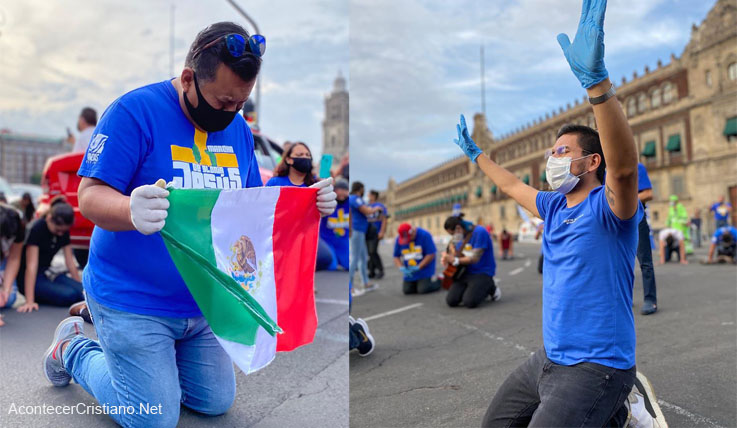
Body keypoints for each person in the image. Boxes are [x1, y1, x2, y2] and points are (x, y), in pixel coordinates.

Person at [41, 22, 336, 428]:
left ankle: (156, 369)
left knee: (214, 402)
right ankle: (73, 348)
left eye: (241, 104)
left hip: (204, 304)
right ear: (187, 79)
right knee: (152, 418)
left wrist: (308, 205)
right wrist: (130, 209)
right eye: (223, 102)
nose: (232, 114)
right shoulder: (134, 112)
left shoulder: (238, 131)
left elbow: (252, 209)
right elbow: (90, 195)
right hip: (133, 300)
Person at [452, 1, 664, 424]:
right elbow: (512, 185)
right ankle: (615, 417)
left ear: (591, 163)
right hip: (548, 359)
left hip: (598, 367)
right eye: (552, 151)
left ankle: (620, 401)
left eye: (563, 151)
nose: (552, 158)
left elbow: (623, 170)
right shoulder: (552, 206)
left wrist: (596, 85)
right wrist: (477, 156)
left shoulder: (610, 209)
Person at [16, 198, 83, 311]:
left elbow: (70, 262)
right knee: (69, 295)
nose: (60, 234)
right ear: (49, 218)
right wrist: (30, 301)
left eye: (63, 231)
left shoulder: (63, 231)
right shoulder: (36, 228)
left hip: (47, 273)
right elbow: (31, 267)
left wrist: (79, 286)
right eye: (58, 231)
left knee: (81, 291)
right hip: (29, 278)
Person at [441, 215, 500, 308]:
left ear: (458, 228)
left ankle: (491, 287)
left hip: (482, 271)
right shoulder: (459, 235)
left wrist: (455, 260)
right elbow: (454, 251)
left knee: (470, 302)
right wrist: (447, 256)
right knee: (451, 301)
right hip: (465, 272)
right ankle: (473, 288)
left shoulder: (480, 232)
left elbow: (475, 258)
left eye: (452, 234)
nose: (452, 237)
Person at [634, 163, 658, 315]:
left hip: (636, 217)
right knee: (617, 262)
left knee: (645, 262)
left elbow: (648, 193)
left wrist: (622, 200)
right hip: (612, 220)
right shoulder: (603, 171)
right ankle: (621, 299)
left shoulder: (636, 167)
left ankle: (650, 299)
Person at [349, 181, 380, 296]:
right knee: (355, 258)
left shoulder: (355, 199)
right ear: (360, 189)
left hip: (360, 231)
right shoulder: (355, 199)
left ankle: (365, 282)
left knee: (362, 257)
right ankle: (349, 286)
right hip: (357, 231)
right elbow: (366, 211)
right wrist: (376, 208)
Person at [394, 223, 440, 294]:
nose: (408, 241)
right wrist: (401, 267)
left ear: (413, 232)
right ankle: (418, 283)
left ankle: (439, 281)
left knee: (423, 289)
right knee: (407, 290)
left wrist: (419, 267)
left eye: (409, 237)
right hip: (410, 270)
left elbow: (431, 254)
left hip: (425, 269)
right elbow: (396, 256)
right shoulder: (399, 239)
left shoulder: (425, 235)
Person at [0, 204, 25, 326]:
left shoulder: (17, 223)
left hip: (4, 259)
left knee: (8, 299)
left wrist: (5, 288)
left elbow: (14, 258)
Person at [320, 178, 350, 270]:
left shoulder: (349, 203)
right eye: (340, 190)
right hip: (328, 241)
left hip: (343, 241)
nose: (342, 193)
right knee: (331, 266)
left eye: (345, 190)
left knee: (348, 266)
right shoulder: (327, 202)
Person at [366, 190, 387, 279]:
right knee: (369, 253)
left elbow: (384, 220)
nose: (368, 195)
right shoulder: (366, 206)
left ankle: (380, 270)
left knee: (373, 251)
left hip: (376, 232)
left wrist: (382, 231)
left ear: (373, 196)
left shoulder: (380, 206)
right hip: (367, 232)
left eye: (369, 194)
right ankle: (371, 271)